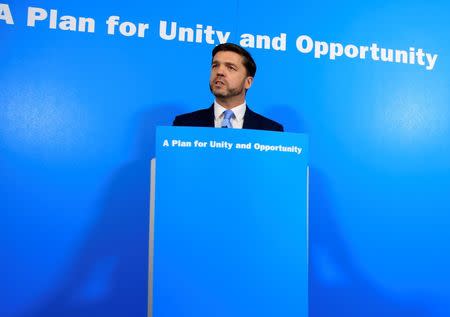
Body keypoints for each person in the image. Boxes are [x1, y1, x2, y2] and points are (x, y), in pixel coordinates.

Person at [172, 43, 284, 132]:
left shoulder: (271, 131)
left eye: (230, 67)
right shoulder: (184, 125)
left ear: (248, 82)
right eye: (215, 66)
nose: (219, 72)